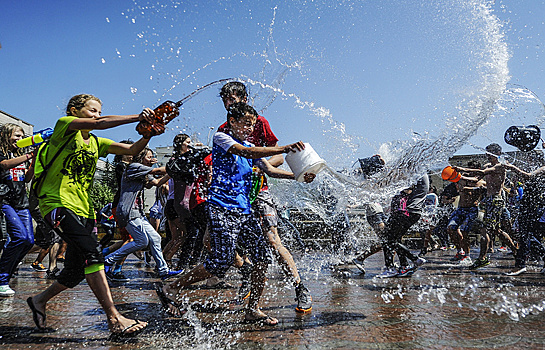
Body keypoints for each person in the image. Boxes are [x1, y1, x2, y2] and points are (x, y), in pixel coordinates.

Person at [157, 102, 314, 325]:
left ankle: (253, 309)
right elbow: (245, 152)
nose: (250, 128)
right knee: (220, 261)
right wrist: (282, 148)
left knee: (261, 257)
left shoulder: (250, 144)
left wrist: (299, 175)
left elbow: (269, 170)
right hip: (221, 207)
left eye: (252, 125)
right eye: (245, 123)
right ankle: (172, 286)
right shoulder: (222, 138)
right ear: (232, 121)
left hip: (244, 211)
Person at [26, 94, 152, 335]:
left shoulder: (96, 143)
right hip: (56, 203)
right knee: (94, 255)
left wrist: (148, 133)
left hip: (84, 209)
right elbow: (99, 123)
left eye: (99, 111)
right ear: (75, 110)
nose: (96, 115)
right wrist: (138, 116)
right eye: (92, 110)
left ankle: (39, 300)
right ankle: (114, 317)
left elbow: (133, 149)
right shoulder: (65, 125)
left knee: (74, 271)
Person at [217, 81, 312, 313]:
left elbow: (275, 159)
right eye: (225, 100)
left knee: (272, 240)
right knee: (214, 240)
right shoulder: (222, 130)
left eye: (233, 99)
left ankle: (300, 287)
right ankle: (247, 273)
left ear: (245, 99)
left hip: (259, 191)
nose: (229, 104)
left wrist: (267, 168)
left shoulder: (259, 123)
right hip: (233, 197)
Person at [104, 147, 182, 280]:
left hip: (138, 213)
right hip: (128, 211)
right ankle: (108, 260)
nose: (152, 159)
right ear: (140, 157)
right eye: (149, 156)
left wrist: (170, 174)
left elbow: (157, 182)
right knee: (141, 241)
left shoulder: (142, 171)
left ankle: (163, 271)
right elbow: (157, 171)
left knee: (156, 238)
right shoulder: (134, 167)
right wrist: (176, 165)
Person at [452, 143, 513, 269]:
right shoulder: (487, 165)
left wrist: (462, 169)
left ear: (498, 153)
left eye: (490, 152)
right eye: (487, 152)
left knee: (485, 230)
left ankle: (482, 258)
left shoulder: (500, 167)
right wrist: (458, 177)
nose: (487, 155)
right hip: (489, 201)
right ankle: (517, 252)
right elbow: (477, 179)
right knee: (496, 231)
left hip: (496, 200)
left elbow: (481, 172)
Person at [0, 123, 35, 297]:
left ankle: (8, 271)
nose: (20, 139)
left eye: (22, 137)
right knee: (19, 236)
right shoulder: (2, 153)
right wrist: (30, 154)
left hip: (22, 201)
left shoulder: (21, 155)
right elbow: (4, 165)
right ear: (6, 135)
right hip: (5, 200)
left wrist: (35, 162)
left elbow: (27, 178)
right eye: (17, 136)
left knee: (28, 240)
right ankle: (2, 279)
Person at [378, 174, 429, 278]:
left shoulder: (417, 173)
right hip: (407, 212)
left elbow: (407, 188)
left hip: (404, 212)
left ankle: (410, 261)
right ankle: (404, 266)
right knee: (394, 240)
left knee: (387, 240)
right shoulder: (419, 173)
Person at [446, 175, 485, 266]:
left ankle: (467, 256)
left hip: (472, 209)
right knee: (450, 228)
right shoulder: (460, 181)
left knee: (464, 230)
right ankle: (460, 251)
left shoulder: (481, 182)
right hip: (460, 209)